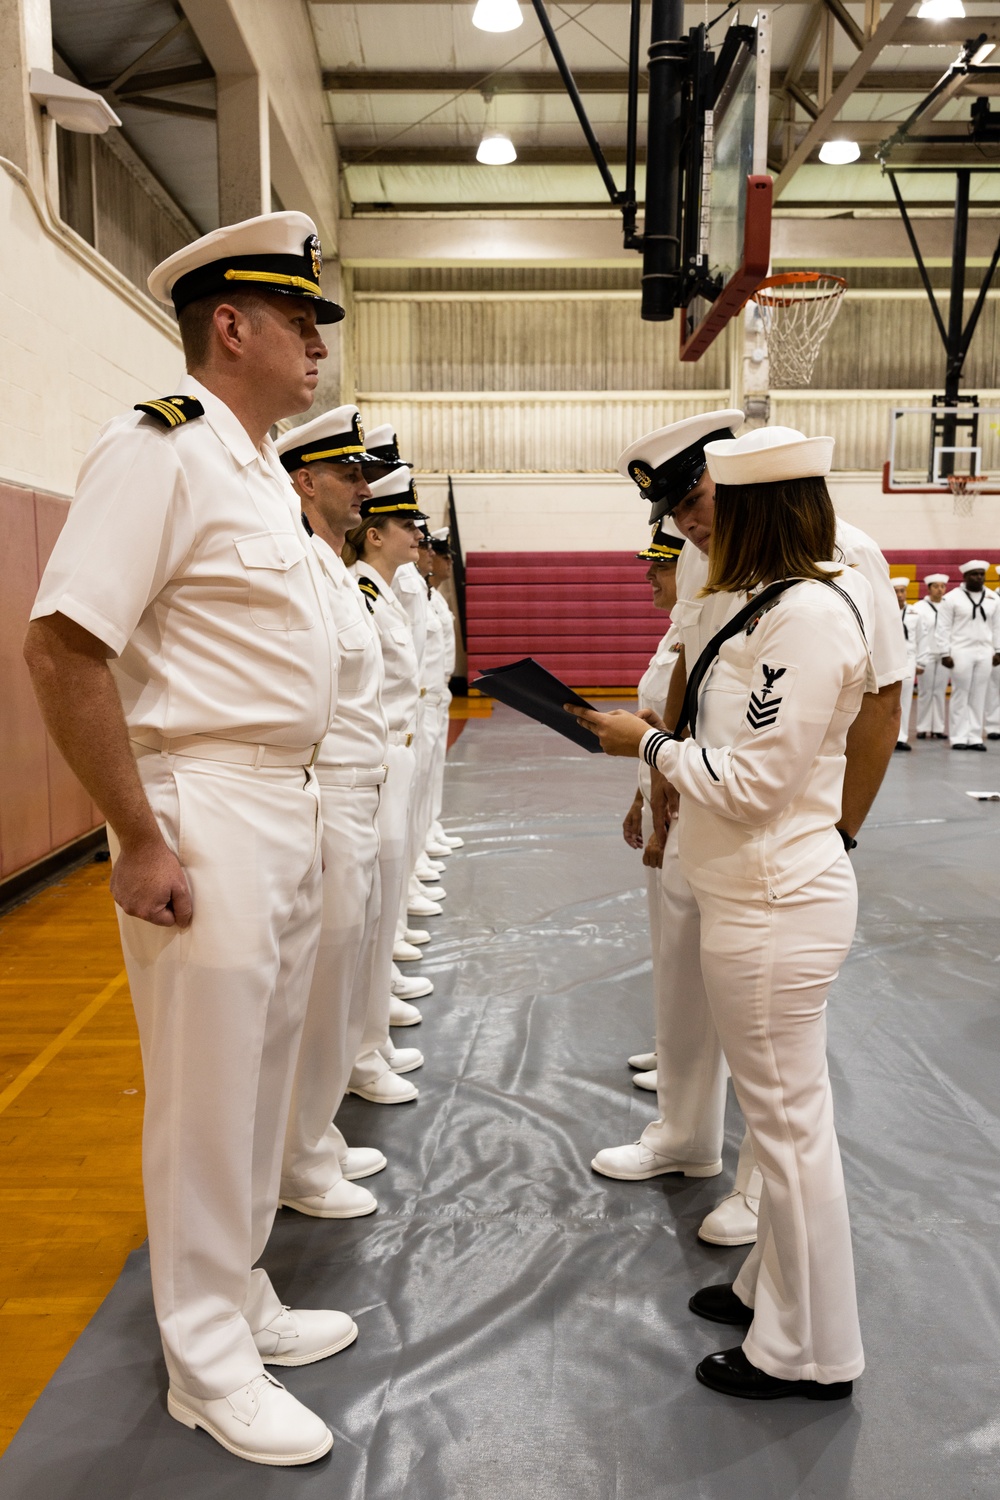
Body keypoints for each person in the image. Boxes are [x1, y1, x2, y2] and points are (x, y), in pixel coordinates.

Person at [24, 212, 355, 1465]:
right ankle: (203, 1364)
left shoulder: (256, 464)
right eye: (300, 319)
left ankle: (236, 1292)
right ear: (233, 324)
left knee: (258, 1085)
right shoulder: (158, 448)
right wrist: (136, 833)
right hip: (206, 805)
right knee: (205, 1097)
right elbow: (63, 645)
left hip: (287, 798)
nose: (317, 342)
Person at [571, 425, 874, 1401]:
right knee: (782, 1124)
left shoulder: (807, 620)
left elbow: (751, 784)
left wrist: (647, 746)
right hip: (750, 889)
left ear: (756, 513)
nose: (692, 530)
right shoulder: (765, 610)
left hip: (776, 895)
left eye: (709, 511)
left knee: (787, 1132)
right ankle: (769, 1292)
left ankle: (810, 1351)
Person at [275, 405, 420, 1225]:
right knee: (322, 981)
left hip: (361, 780)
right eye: (352, 475)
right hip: (327, 789)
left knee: (341, 969)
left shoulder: (331, 567)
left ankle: (313, 1140)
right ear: (306, 480)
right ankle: (300, 1156)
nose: (365, 489)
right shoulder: (310, 564)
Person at [343, 468, 433, 1103]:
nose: (417, 536)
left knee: (381, 905)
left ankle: (370, 1039)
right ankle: (362, 1049)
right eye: (406, 525)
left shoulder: (382, 593)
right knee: (367, 915)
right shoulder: (361, 591)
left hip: (396, 755)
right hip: (371, 761)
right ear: (374, 535)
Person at [621, 521, 685, 1092]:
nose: (649, 576)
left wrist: (662, 826)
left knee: (681, 947)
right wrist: (636, 802)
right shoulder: (673, 634)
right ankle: (672, 1045)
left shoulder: (694, 638)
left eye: (660, 566)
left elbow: (681, 740)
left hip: (683, 812)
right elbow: (653, 730)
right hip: (657, 800)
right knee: (664, 942)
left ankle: (685, 1058)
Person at [934, 560, 1000, 751]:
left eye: (981, 574)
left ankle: (975, 736)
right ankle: (958, 736)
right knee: (960, 693)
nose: (979, 577)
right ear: (965, 577)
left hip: (985, 652)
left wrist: (998, 650)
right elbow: (943, 627)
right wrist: (944, 652)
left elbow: (997, 627)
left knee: (979, 694)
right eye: (974, 574)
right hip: (960, 651)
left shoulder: (993, 598)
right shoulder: (952, 598)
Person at [914, 574, 950, 739]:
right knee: (925, 691)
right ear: (928, 588)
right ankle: (923, 727)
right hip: (927, 654)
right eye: (936, 586)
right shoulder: (919, 607)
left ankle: (938, 728)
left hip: (944, 654)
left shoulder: (949, 606)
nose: (940, 589)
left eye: (942, 586)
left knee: (940, 691)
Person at [891, 577, 918, 751]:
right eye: (896, 591)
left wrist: (921, 661)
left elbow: (922, 638)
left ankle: (901, 737)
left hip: (909, 658)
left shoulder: (915, 613)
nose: (900, 595)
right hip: (892, 658)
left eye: (902, 591)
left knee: (906, 699)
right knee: (890, 699)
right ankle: (888, 737)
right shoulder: (885, 613)